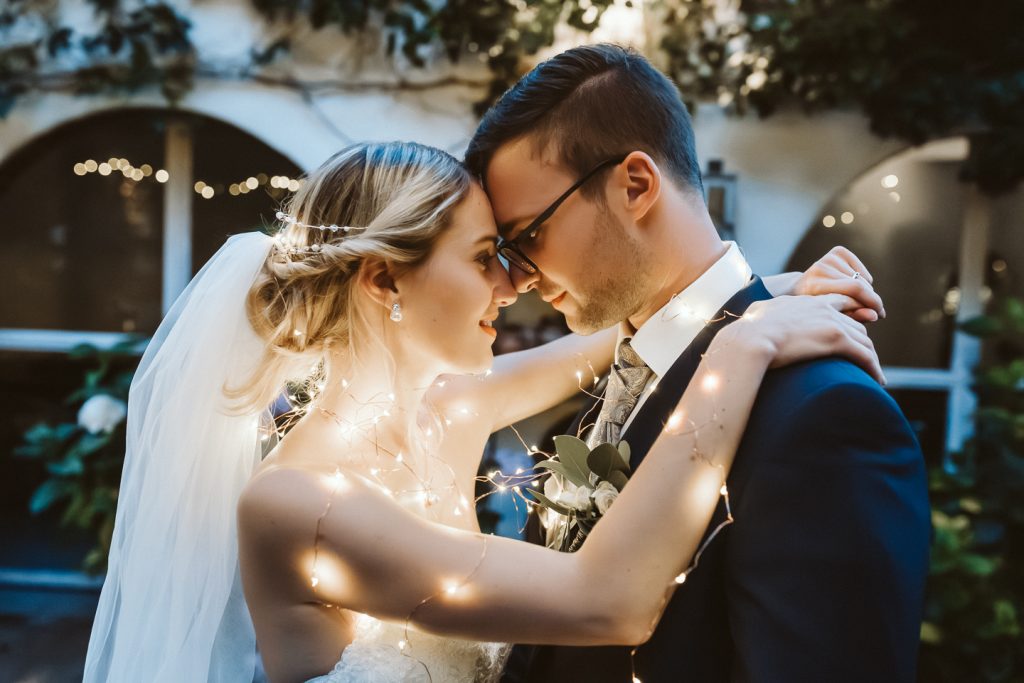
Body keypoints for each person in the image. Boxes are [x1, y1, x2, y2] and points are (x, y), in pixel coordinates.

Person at [82, 140, 886, 683]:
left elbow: (620, 336)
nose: (511, 286)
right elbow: (609, 601)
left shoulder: (448, 407)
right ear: (382, 282)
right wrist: (743, 351)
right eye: (481, 260)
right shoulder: (300, 504)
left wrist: (766, 295)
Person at [464, 44, 931, 683]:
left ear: (635, 185)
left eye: (529, 236)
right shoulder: (607, 388)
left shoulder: (822, 414)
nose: (518, 278)